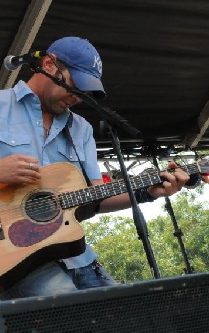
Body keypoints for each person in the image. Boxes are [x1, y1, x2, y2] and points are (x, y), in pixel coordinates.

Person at [0, 36, 190, 299]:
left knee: (123, 310)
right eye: (76, 85)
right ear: (48, 64)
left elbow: (96, 197)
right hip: (14, 258)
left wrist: (149, 191)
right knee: (71, 310)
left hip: (73, 255)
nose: (79, 97)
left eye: (85, 92)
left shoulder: (80, 129)